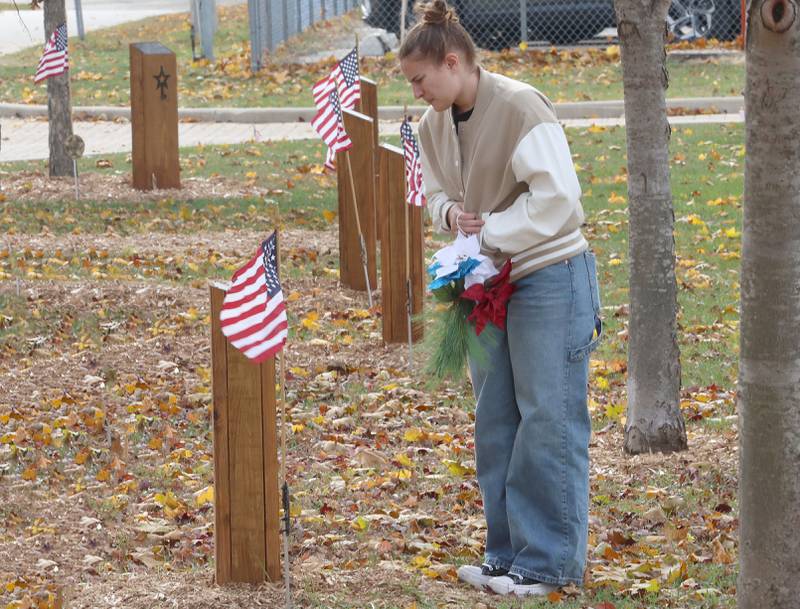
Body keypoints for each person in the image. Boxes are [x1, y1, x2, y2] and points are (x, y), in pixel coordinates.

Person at [399, 0, 602, 598]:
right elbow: (434, 191)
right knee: (495, 417)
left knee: (548, 416)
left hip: (548, 273)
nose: (416, 93)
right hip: (483, 279)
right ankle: (505, 555)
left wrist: (489, 232)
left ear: (454, 62)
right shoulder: (433, 125)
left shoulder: (518, 105)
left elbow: (558, 199)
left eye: (420, 80)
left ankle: (549, 563)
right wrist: (449, 215)